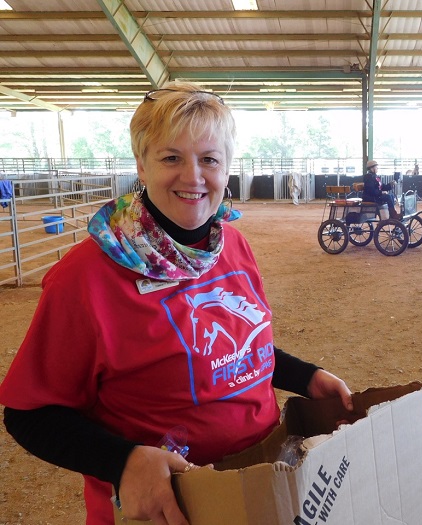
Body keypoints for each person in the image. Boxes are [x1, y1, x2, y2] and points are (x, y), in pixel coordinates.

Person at [0, 81, 353, 525]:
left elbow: (236, 350)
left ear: (227, 169)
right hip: (171, 507)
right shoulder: (85, 276)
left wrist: (307, 377)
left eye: (209, 159)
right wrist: (122, 460)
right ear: (141, 166)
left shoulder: (232, 247)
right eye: (172, 158)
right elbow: (29, 412)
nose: (193, 177)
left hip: (263, 481)